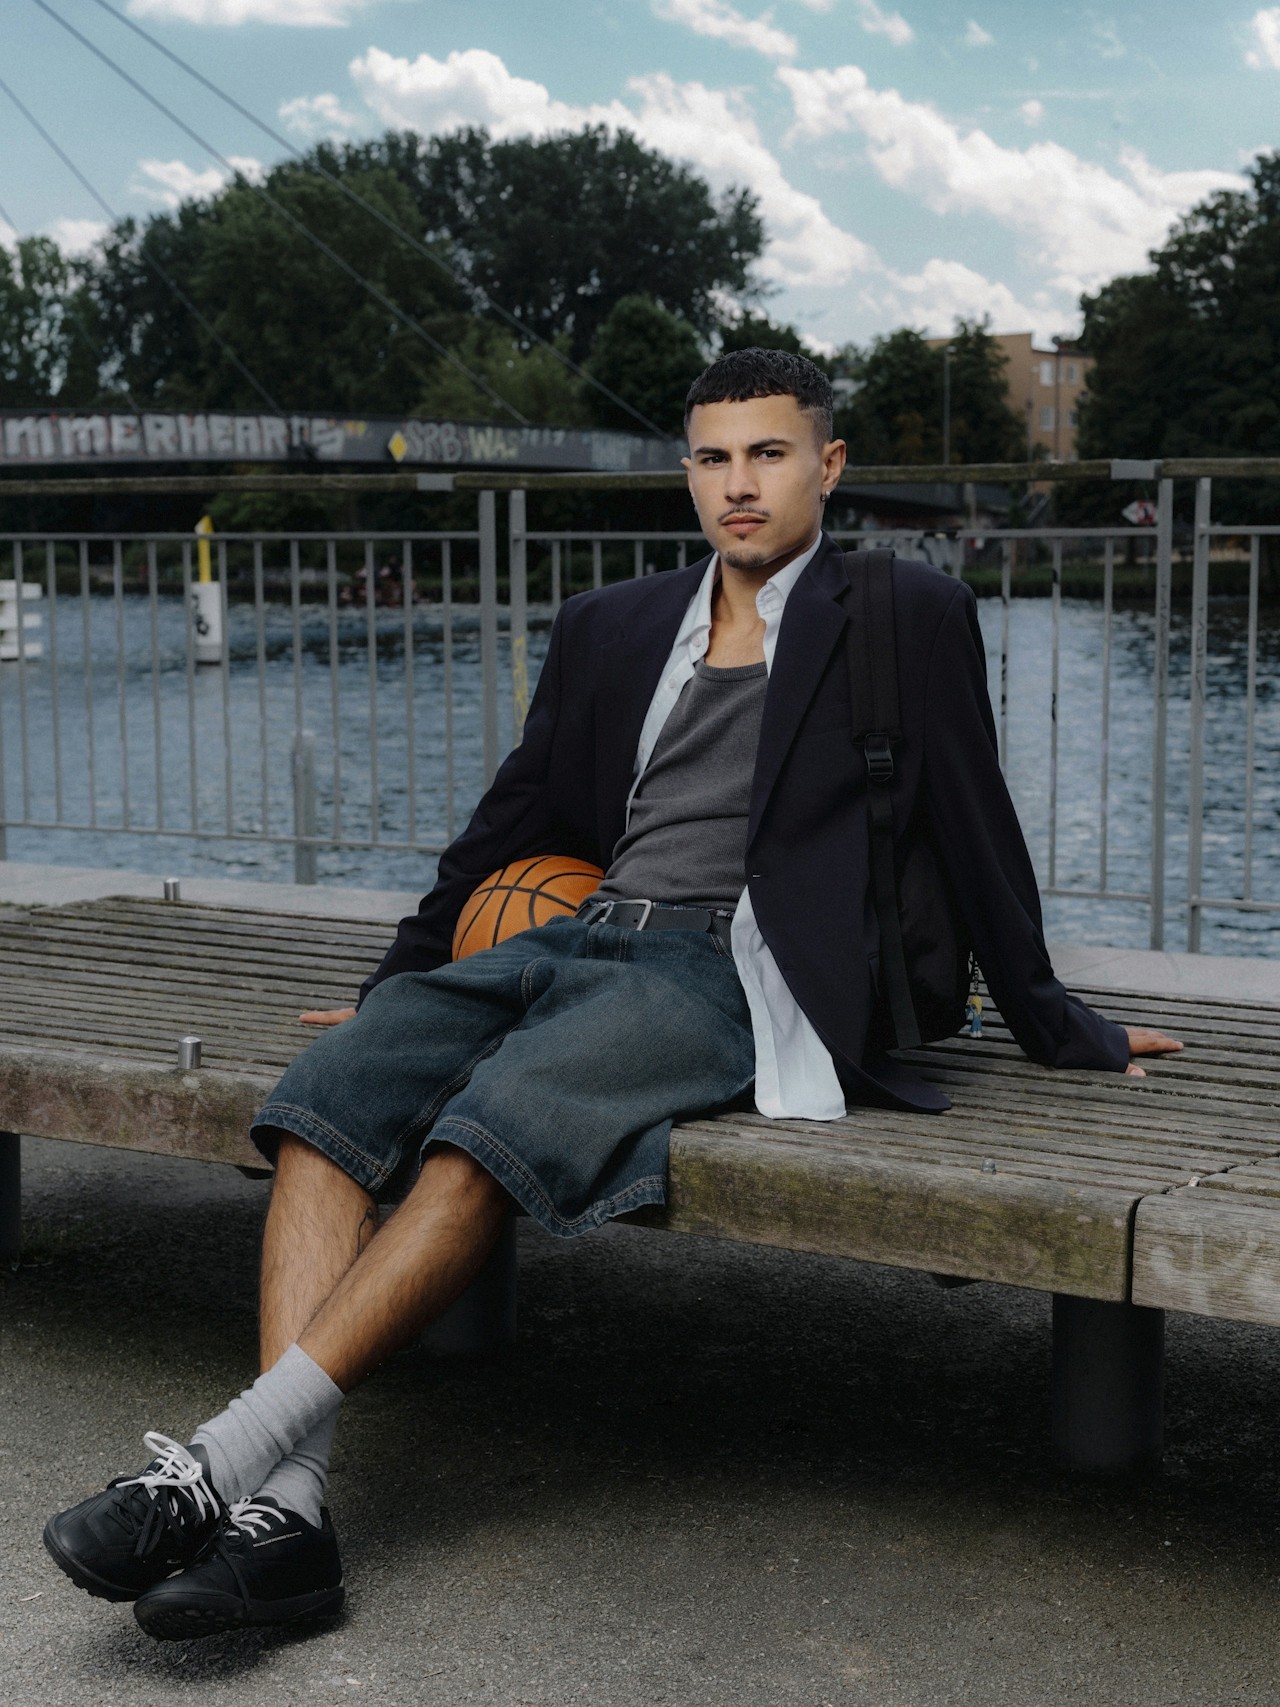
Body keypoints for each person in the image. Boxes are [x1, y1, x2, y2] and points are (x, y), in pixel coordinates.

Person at [42, 349, 1181, 1639]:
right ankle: (286, 1518)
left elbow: (980, 830)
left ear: (828, 465)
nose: (738, 486)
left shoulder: (903, 617)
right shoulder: (616, 626)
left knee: (493, 1129)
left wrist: (1055, 1022)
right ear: (686, 471)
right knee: (327, 1098)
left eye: (767, 454)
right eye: (712, 457)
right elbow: (504, 828)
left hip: (736, 969)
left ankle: (212, 1467)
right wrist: (396, 984)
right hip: (580, 939)